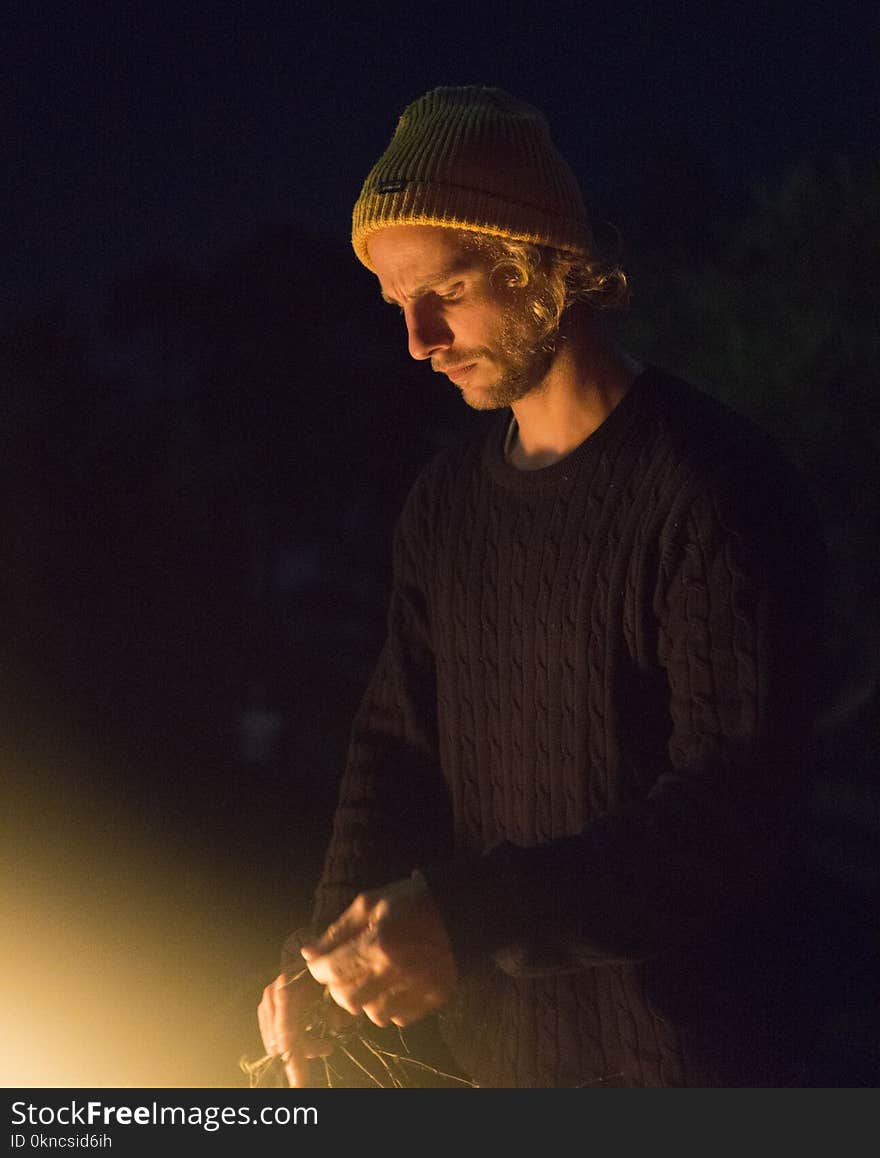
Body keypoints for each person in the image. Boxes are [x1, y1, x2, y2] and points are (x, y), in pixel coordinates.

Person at [257, 85, 825, 1088]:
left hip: (692, 1070)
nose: (418, 340)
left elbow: (727, 816)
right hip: (500, 1072)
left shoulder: (713, 485)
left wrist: (467, 914)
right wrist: (327, 949)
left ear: (544, 264)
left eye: (448, 291)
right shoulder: (446, 505)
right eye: (396, 306)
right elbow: (395, 740)